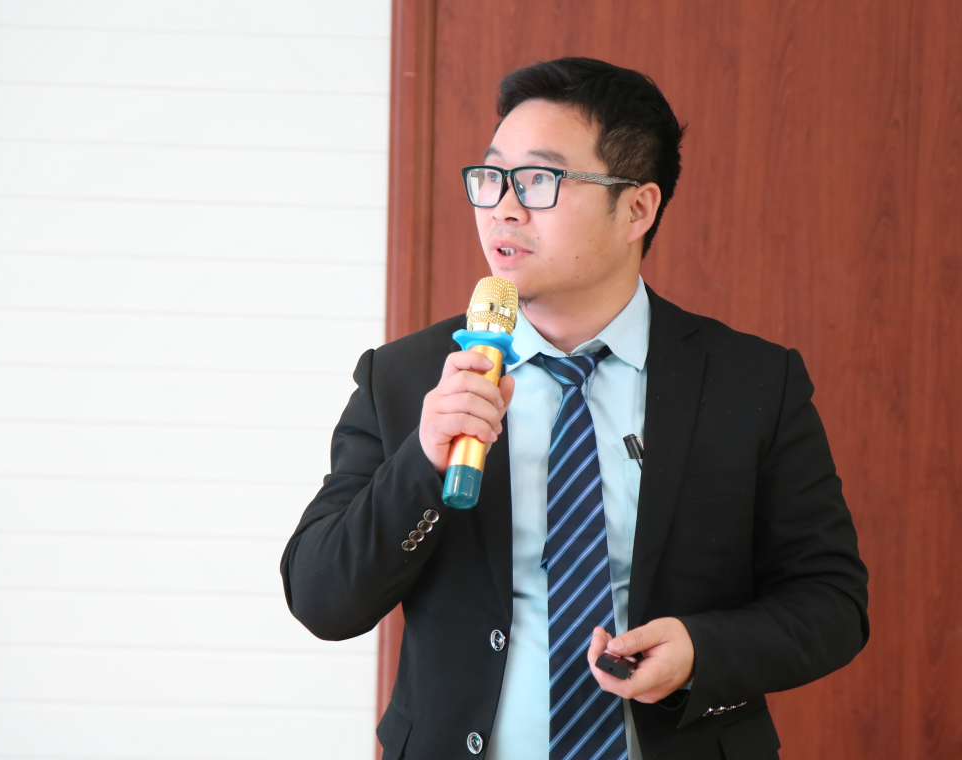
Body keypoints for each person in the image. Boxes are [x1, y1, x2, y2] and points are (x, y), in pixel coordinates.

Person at [281, 57, 868, 760]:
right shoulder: (406, 378)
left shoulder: (752, 382)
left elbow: (831, 602)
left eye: (538, 179)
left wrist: (699, 650)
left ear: (637, 209)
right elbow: (322, 600)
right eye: (492, 176)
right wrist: (422, 463)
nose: (503, 206)